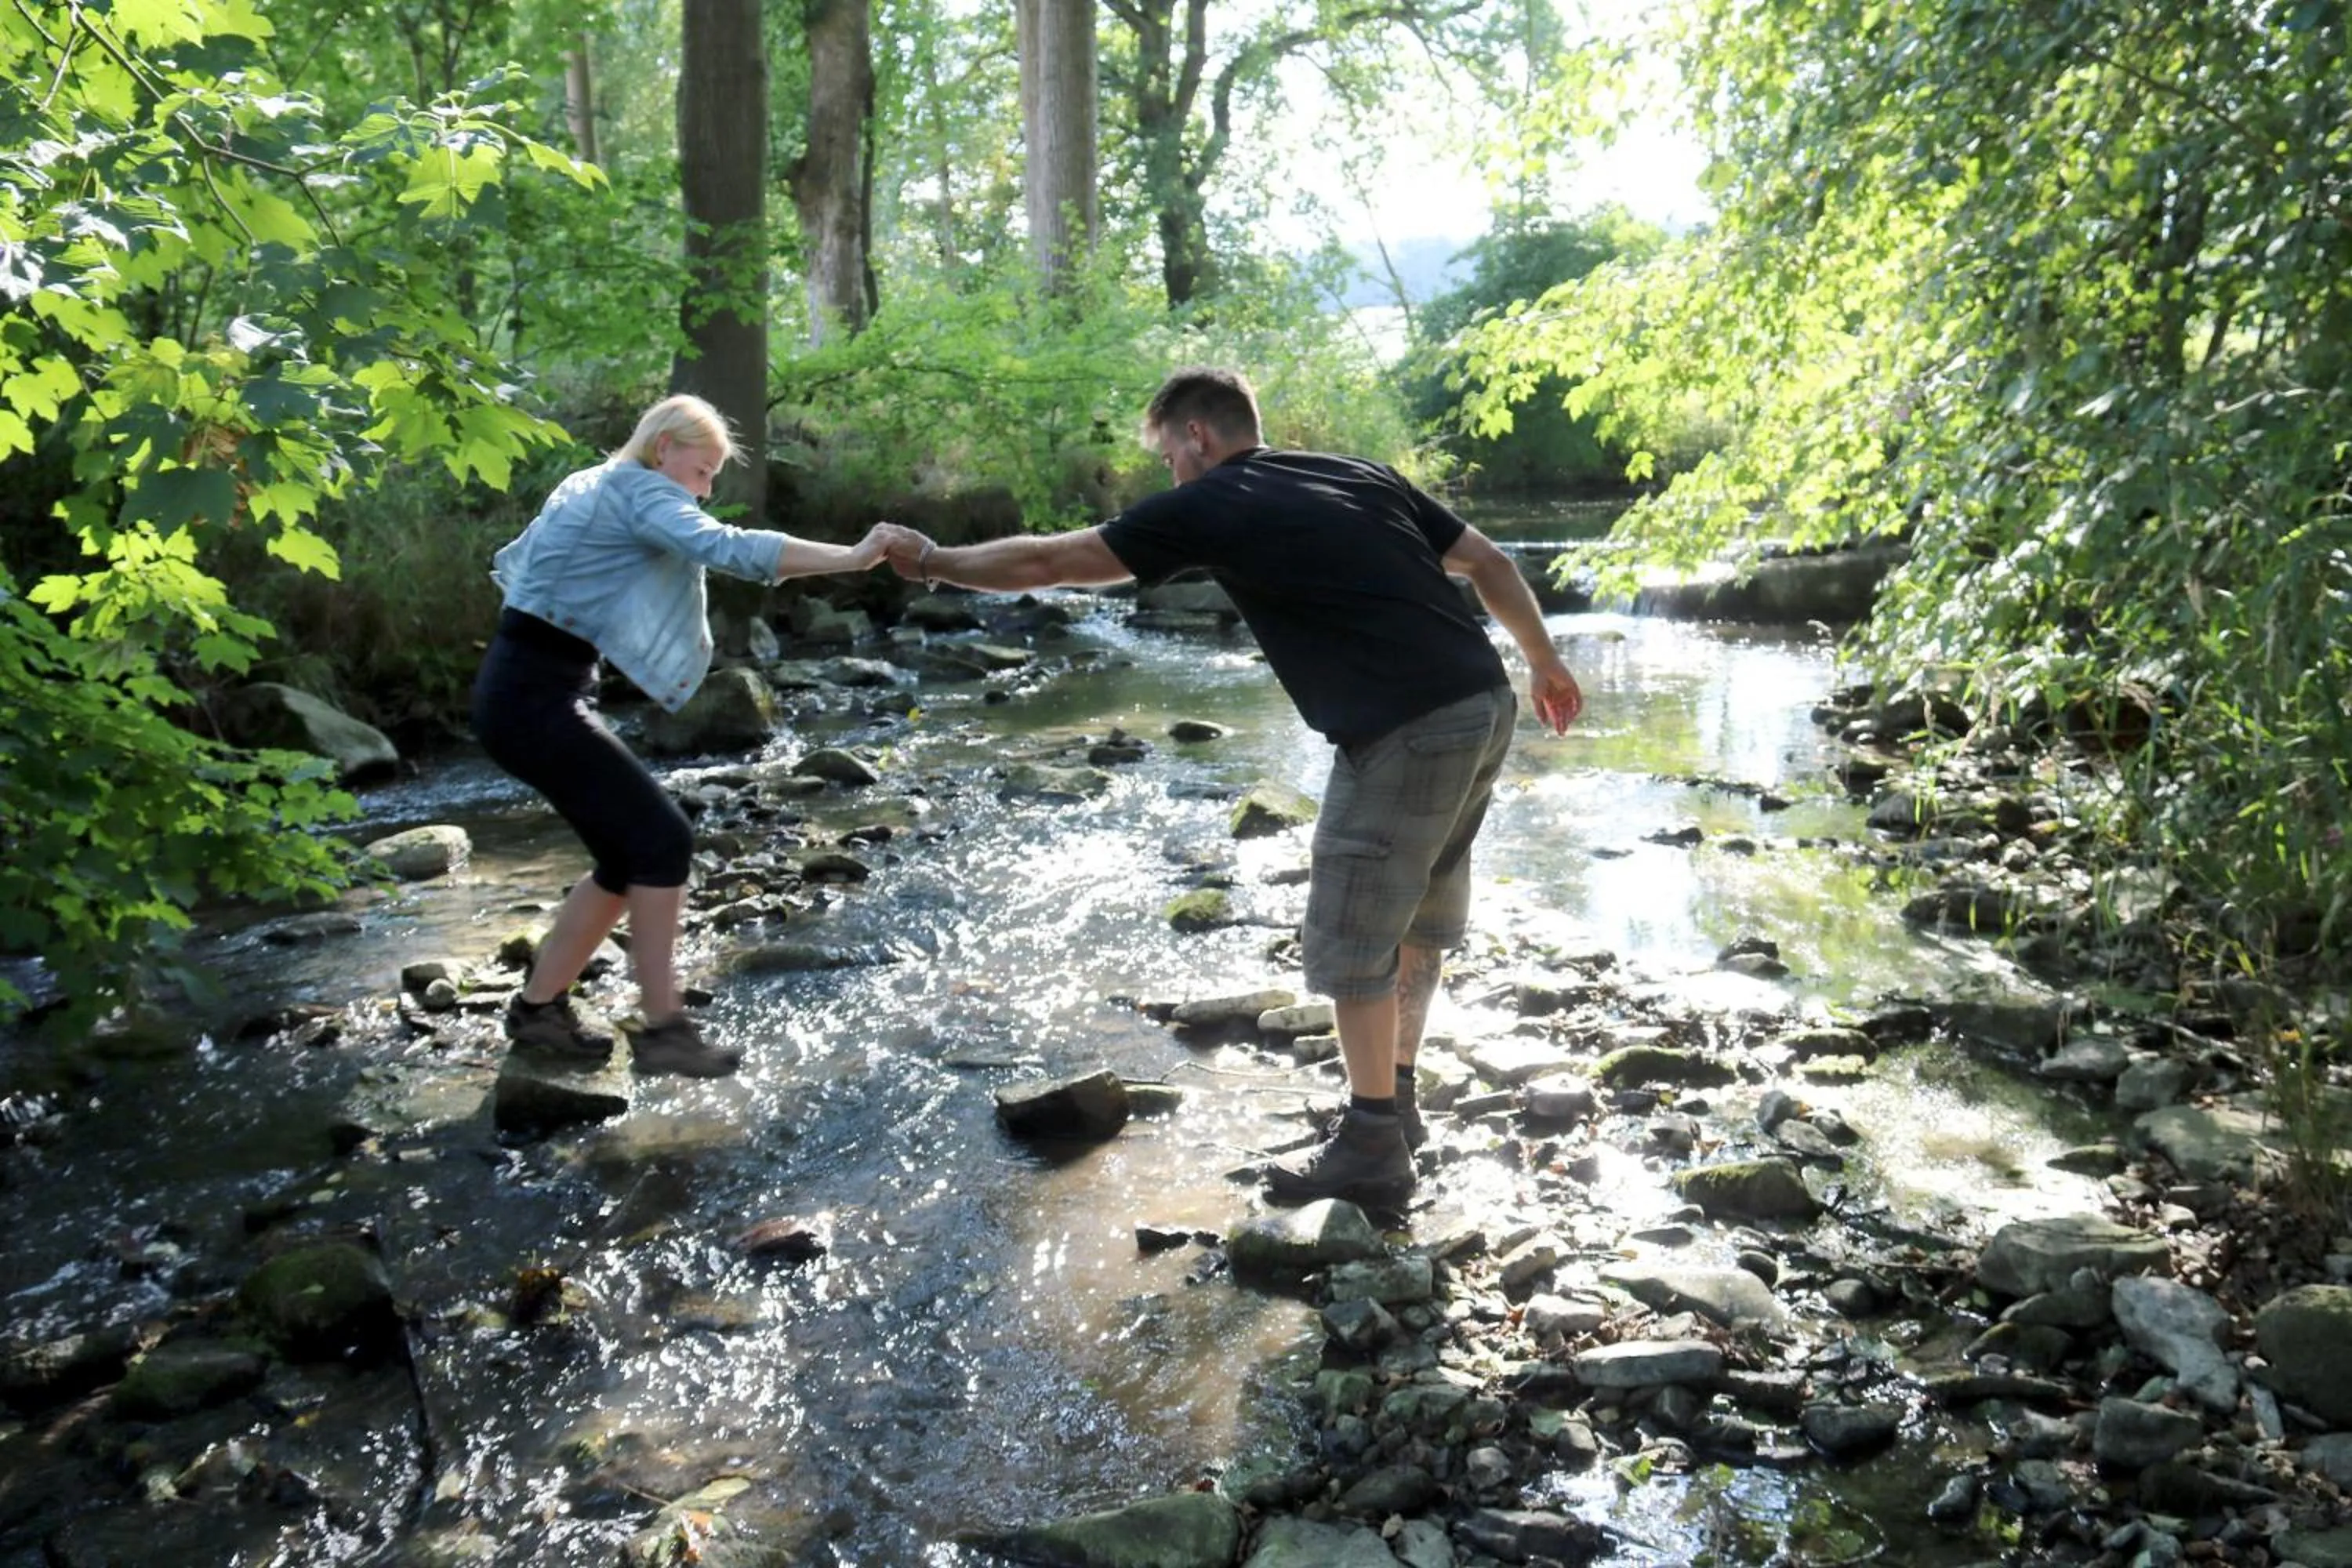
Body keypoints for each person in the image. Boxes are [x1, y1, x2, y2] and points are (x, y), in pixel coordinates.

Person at [873, 368, 1581, 1207]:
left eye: (1168, 451)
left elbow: (1049, 559)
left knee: (1353, 935)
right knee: (1421, 913)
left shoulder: (1216, 499)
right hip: (1483, 701)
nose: (1168, 470)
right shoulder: (1356, 473)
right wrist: (1544, 661)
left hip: (1404, 725)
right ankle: (1396, 1103)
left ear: (1197, 435)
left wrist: (932, 562)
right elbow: (1487, 560)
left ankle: (1371, 1145)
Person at [473, 393, 890, 1078]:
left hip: (521, 693)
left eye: (713, 479)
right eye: (702, 472)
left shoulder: (594, 485)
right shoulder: (637, 491)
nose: (705, 490)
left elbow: (530, 567)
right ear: (663, 447)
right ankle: (665, 1027)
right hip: (532, 699)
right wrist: (853, 556)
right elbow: (725, 547)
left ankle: (538, 1011)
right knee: (664, 841)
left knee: (622, 857)